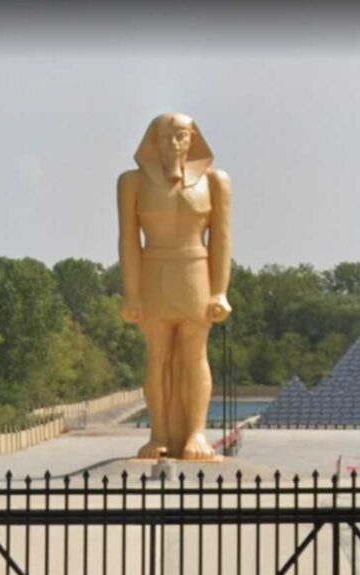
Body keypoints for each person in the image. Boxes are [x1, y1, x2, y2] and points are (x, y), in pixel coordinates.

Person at [118, 113, 232, 460]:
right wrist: (131, 293)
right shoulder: (132, 183)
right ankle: (159, 435)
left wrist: (220, 291)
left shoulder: (215, 181)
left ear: (192, 139)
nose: (174, 143)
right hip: (154, 274)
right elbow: (128, 241)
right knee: (158, 355)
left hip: (195, 274)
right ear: (153, 141)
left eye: (181, 135)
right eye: (166, 136)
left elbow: (221, 240)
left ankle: (196, 433)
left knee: (195, 354)